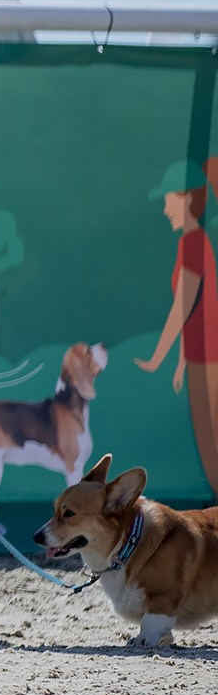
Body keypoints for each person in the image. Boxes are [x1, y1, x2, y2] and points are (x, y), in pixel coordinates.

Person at [133, 157, 218, 496]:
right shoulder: (193, 242)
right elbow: (196, 308)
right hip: (198, 355)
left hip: (208, 358)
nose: (165, 207)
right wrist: (182, 360)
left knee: (212, 449)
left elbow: (183, 307)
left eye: (168, 198)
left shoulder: (194, 243)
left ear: (185, 198)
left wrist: (157, 358)